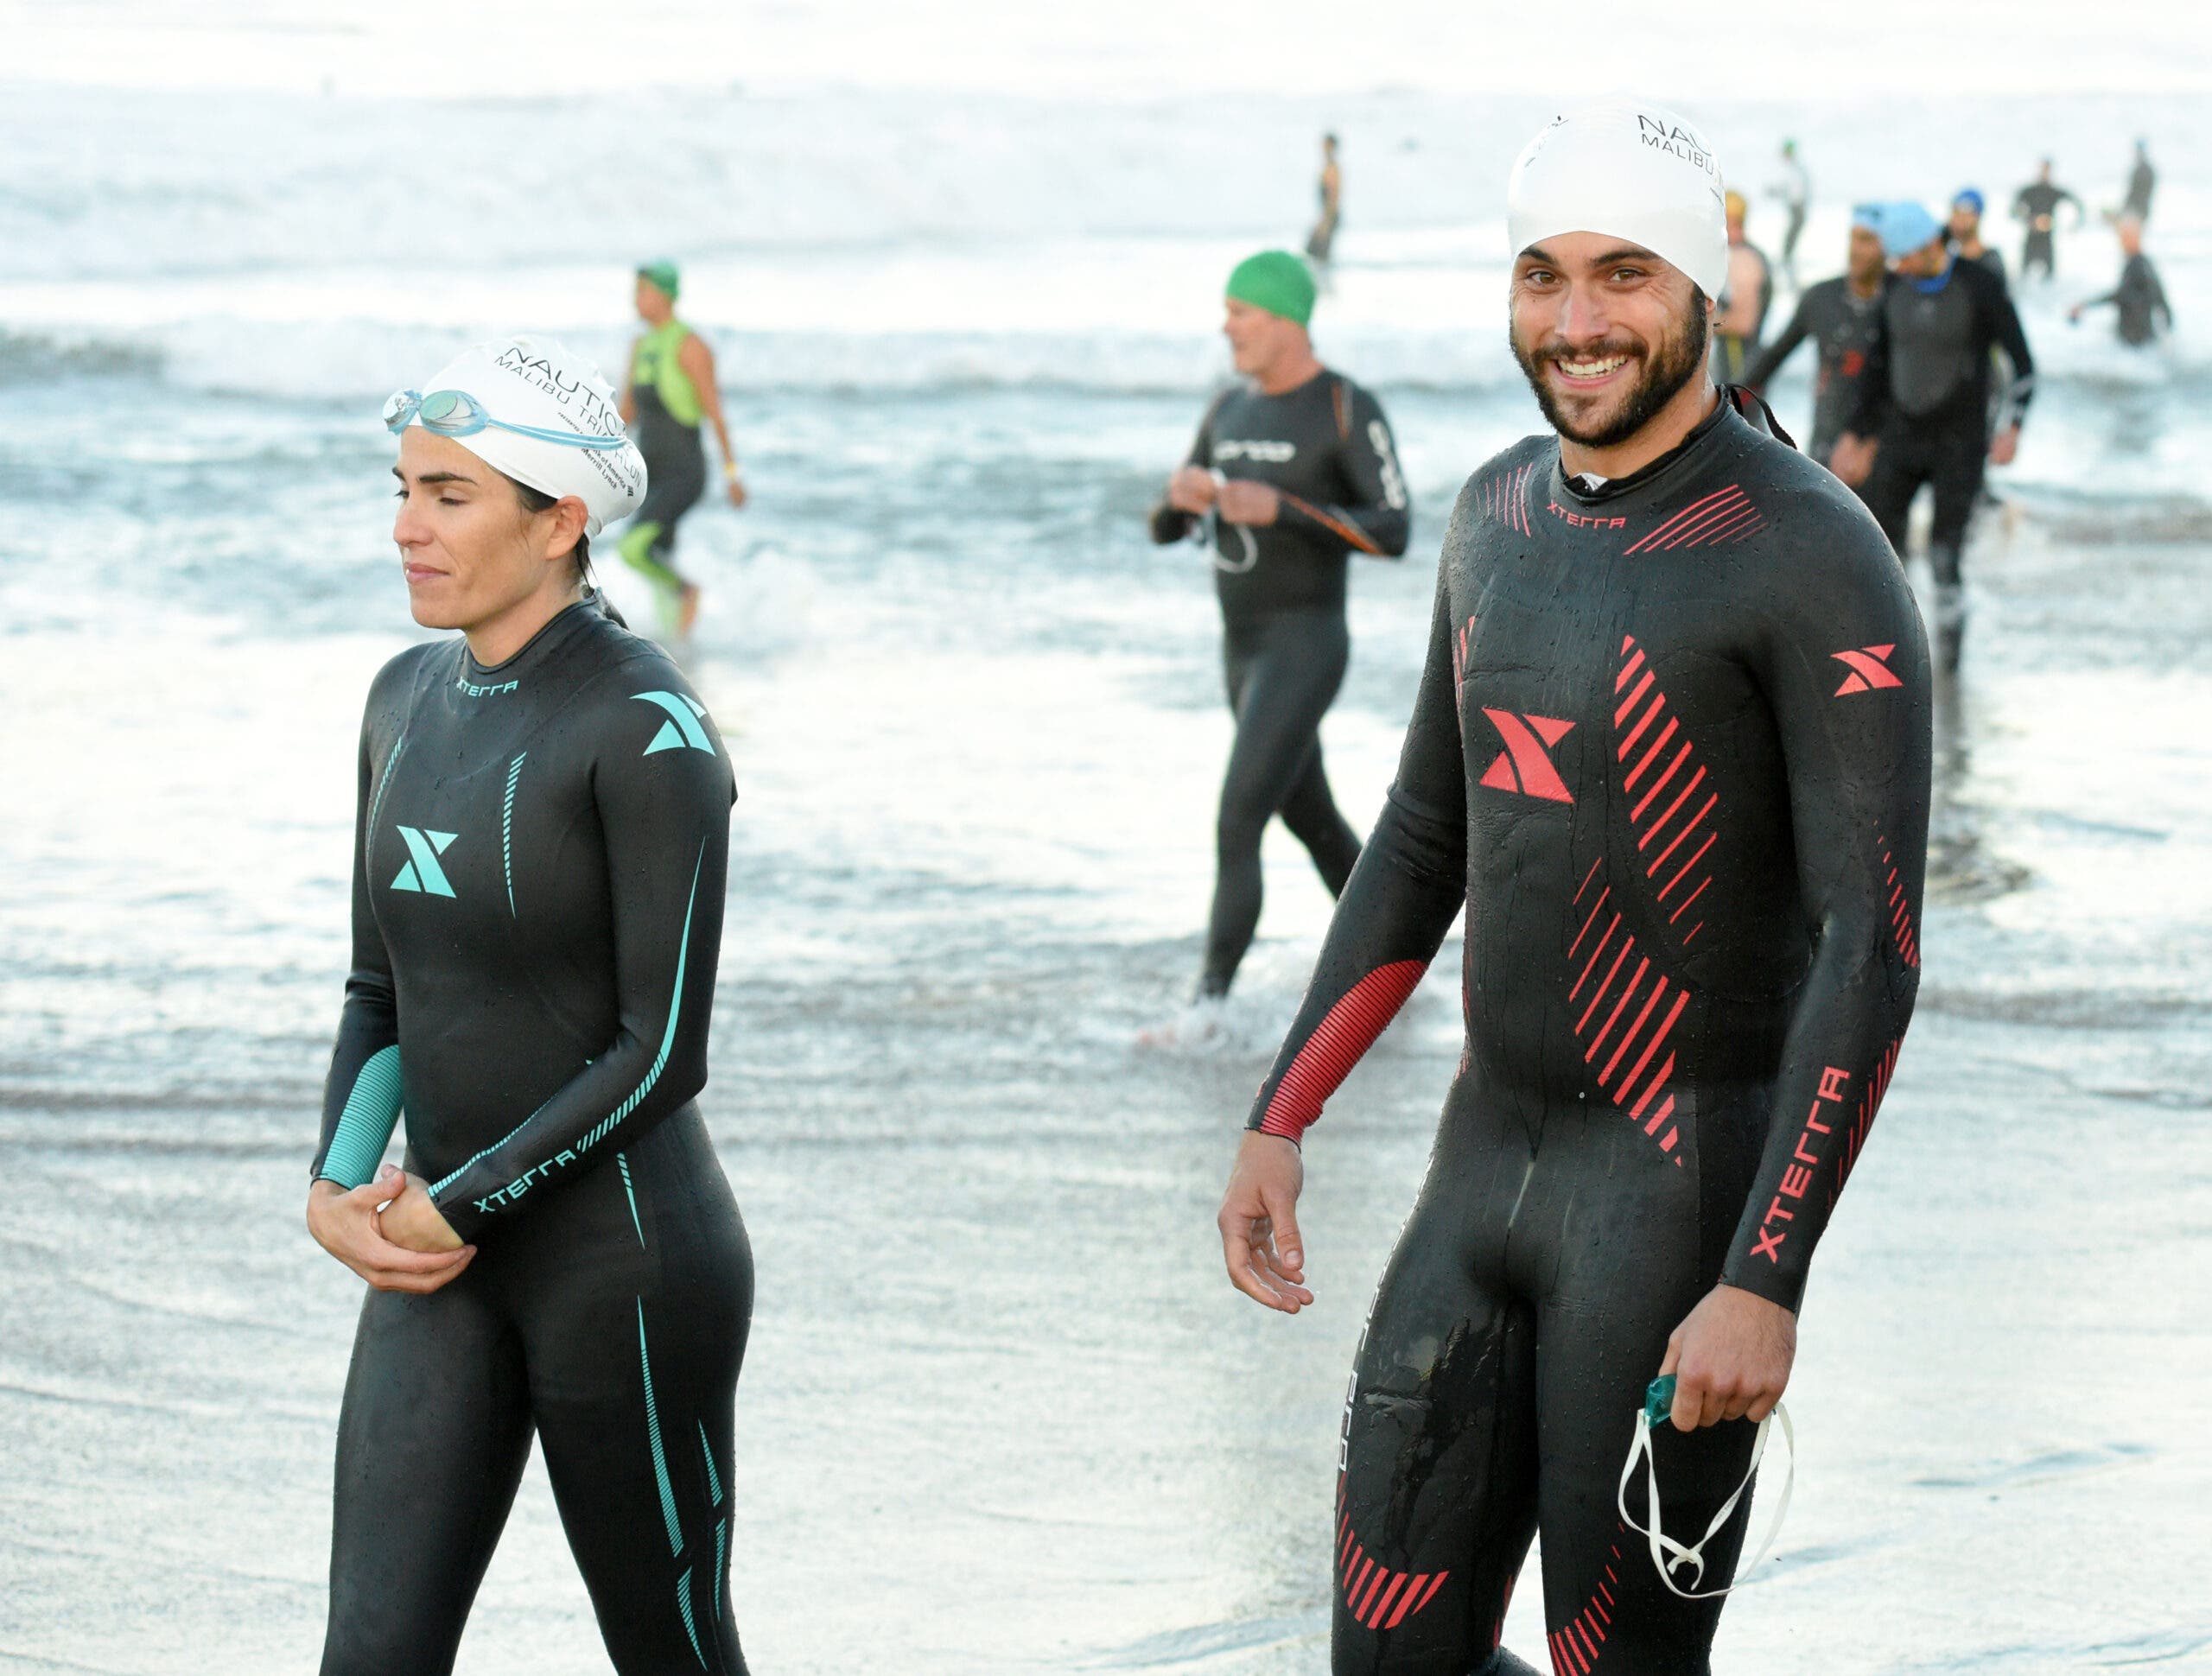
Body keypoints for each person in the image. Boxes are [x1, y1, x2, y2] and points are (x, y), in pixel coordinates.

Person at [1215, 100, 1930, 1675]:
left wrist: (1764, 1276)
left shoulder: (1811, 557)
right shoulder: (1492, 517)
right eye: (1543, 278)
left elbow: (1864, 948)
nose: (1578, 321)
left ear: (1707, 293)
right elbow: (1419, 845)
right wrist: (1282, 1114)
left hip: (1673, 1215)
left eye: (1624, 276)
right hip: (1476, 1182)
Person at [310, 335, 752, 1673]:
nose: (406, 529)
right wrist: (337, 1181)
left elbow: (662, 1048)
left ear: (559, 521)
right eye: (402, 488)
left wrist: (461, 1197)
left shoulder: (646, 729)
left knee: (672, 1660)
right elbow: (381, 985)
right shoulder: (402, 701)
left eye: (449, 495)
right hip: (436, 1264)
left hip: (625, 1269)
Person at [1149, 251, 1411, 1002]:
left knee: (1238, 819)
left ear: (1286, 319)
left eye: (1241, 312)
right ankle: (1393, 969)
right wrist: (1180, 499)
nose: (1226, 327)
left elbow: (1392, 528)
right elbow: (1163, 528)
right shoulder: (1229, 408)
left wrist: (1285, 511)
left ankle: (1208, 1010)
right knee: (1313, 818)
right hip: (1240, 652)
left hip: (1306, 644)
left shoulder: (1343, 407)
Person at [1831, 202, 2036, 673]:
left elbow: (2024, 365)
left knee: (1945, 556)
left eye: (1903, 257)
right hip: (1901, 441)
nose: (1897, 268)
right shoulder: (1894, 286)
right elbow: (1877, 369)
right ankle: (1894, 658)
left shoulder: (1979, 285)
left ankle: (1947, 668)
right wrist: (1855, 434)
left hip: (1960, 448)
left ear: (1928, 246)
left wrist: (2013, 427)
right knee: (1881, 550)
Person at [617, 259, 747, 637]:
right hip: (650, 473)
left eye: (642, 291)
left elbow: (716, 414)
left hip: (684, 472)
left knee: (635, 549)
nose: (635, 301)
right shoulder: (641, 346)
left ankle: (688, 595)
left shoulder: (691, 346)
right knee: (661, 555)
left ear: (665, 294)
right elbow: (628, 412)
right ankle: (677, 643)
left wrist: (733, 474)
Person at [1742, 205, 1887, 467]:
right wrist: (1736, 396)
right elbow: (1775, 355)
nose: (1857, 250)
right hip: (1828, 433)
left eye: (1868, 241)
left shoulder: (1899, 300)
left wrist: (1868, 442)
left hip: (1881, 441)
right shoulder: (1822, 298)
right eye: (1854, 239)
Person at [2070, 215, 2173, 346]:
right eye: (2121, 237)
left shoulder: (2137, 265)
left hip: (2135, 334)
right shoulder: (2143, 263)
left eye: (2124, 237)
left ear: (2136, 238)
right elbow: (2158, 296)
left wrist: (2086, 305)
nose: (2121, 241)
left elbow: (2122, 295)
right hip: (2140, 333)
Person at [1709, 189, 1771, 382]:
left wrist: (1698, 323)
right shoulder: (1737, 253)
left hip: (1741, 362)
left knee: (1741, 409)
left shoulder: (1744, 259)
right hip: (1740, 359)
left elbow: (1743, 322)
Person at [2012, 161, 2082, 283]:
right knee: (2024, 278)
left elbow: (2077, 204)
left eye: (2047, 170)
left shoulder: (2053, 192)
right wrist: (2029, 220)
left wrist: (2074, 224)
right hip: (2031, 239)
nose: (2045, 173)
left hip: (2047, 241)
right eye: (2043, 169)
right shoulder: (2030, 191)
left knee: (2049, 279)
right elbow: (2013, 211)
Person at [1765, 136, 1810, 289]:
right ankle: (1791, 279)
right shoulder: (1793, 169)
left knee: (1788, 248)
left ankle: (1792, 282)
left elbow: (1795, 193)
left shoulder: (1795, 170)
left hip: (1798, 211)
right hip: (1797, 211)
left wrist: (1779, 193)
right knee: (1788, 246)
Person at [1948, 188, 2006, 287]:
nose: (1958, 220)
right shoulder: (1949, 260)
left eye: (1965, 215)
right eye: (1956, 214)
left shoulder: (1991, 262)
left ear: (1977, 217)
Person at [1307, 134, 1344, 267]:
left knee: (1318, 255)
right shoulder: (1328, 167)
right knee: (1316, 254)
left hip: (1329, 215)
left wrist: (1326, 220)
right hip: (1326, 215)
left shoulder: (1332, 169)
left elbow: (1333, 195)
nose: (1323, 148)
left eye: (1326, 145)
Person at [2123, 138, 2156, 224]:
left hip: (2137, 210)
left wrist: (2128, 207)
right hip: (2139, 209)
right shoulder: (2144, 169)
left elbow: (2137, 192)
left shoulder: (2144, 170)